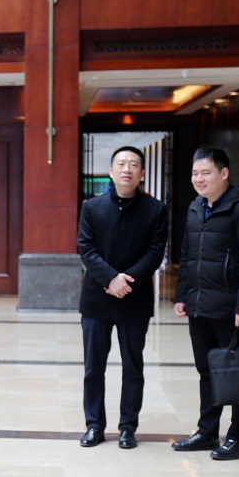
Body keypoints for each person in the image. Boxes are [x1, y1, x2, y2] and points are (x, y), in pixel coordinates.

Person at [172, 146, 239, 461]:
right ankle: (207, 432)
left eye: (206, 172)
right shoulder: (196, 207)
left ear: (224, 174)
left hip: (230, 308)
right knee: (206, 371)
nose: (199, 179)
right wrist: (182, 295)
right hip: (199, 305)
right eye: (195, 173)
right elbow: (187, 256)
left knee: (237, 374)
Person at [77, 146, 168, 449]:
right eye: (121, 164)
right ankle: (94, 425)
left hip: (134, 299)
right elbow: (86, 248)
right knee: (93, 368)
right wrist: (110, 279)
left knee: (133, 366)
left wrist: (126, 281)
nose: (127, 169)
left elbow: (155, 252)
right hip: (97, 300)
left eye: (133, 164)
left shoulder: (155, 210)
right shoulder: (92, 208)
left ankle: (128, 427)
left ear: (142, 173)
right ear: (111, 171)